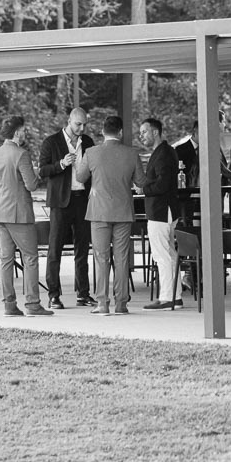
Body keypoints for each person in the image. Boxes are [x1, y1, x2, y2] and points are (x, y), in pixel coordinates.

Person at [76, 114, 145, 315]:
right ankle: (122, 303)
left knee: (101, 257)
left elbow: (80, 177)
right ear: (121, 132)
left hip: (98, 211)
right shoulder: (132, 154)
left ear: (102, 132)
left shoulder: (92, 152)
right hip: (123, 211)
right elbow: (141, 181)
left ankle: (102, 303)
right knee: (122, 258)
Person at [0, 115, 53, 317]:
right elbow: (31, 185)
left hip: (0, 212)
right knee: (30, 258)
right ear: (17, 132)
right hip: (19, 214)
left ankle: (9, 304)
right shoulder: (21, 155)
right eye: (23, 130)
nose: (25, 133)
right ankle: (33, 303)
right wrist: (37, 173)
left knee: (6, 259)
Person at [40, 107, 95, 309]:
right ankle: (53, 295)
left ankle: (83, 294)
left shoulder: (87, 142)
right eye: (78, 124)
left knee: (83, 249)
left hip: (82, 199)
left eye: (84, 124)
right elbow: (42, 171)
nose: (82, 128)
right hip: (60, 202)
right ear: (69, 121)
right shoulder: (51, 142)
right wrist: (61, 164)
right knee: (55, 249)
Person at [138, 117, 181, 310]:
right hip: (166, 210)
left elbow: (163, 183)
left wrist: (143, 189)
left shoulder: (163, 153)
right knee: (170, 254)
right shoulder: (166, 151)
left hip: (161, 210)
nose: (141, 136)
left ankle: (166, 297)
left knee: (161, 255)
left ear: (155, 132)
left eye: (144, 132)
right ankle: (176, 296)